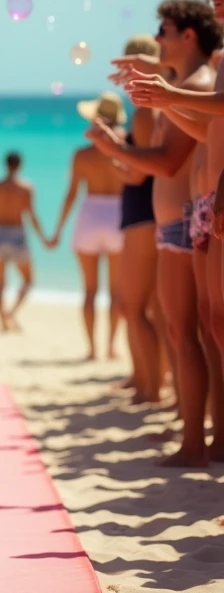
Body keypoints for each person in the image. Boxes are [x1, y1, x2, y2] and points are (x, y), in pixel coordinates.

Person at [90, 0, 220, 466]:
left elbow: (167, 161)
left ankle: (196, 440)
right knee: (190, 331)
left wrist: (114, 145)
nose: (158, 38)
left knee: (194, 333)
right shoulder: (189, 84)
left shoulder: (200, 81)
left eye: (163, 30)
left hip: (188, 217)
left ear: (188, 35)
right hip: (178, 221)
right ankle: (198, 434)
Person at [50, 91, 125, 360]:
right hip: (119, 214)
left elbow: (71, 194)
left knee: (90, 291)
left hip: (90, 215)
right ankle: (112, 346)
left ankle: (92, 349)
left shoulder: (82, 154)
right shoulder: (126, 146)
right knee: (117, 291)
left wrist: (57, 231)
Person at [114, 35, 163, 403]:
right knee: (147, 309)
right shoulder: (149, 109)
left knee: (136, 307)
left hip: (143, 214)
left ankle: (150, 389)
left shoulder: (145, 112)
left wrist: (111, 151)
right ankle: (147, 382)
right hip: (149, 212)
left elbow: (140, 173)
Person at [0, 152, 48, 331]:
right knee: (28, 280)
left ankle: (3, 322)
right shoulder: (26, 188)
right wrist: (44, 239)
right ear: (20, 166)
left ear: (6, 165)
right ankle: (11, 313)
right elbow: (32, 216)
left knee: (0, 283)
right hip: (17, 234)